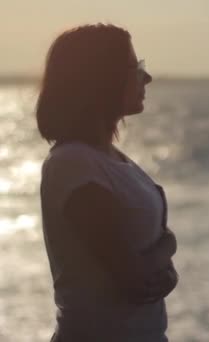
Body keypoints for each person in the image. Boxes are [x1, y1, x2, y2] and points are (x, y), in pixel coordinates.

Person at [36, 23, 178, 342]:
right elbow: (134, 279)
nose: (147, 77)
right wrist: (170, 245)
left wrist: (163, 257)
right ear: (101, 78)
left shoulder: (114, 160)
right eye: (135, 67)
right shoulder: (74, 164)